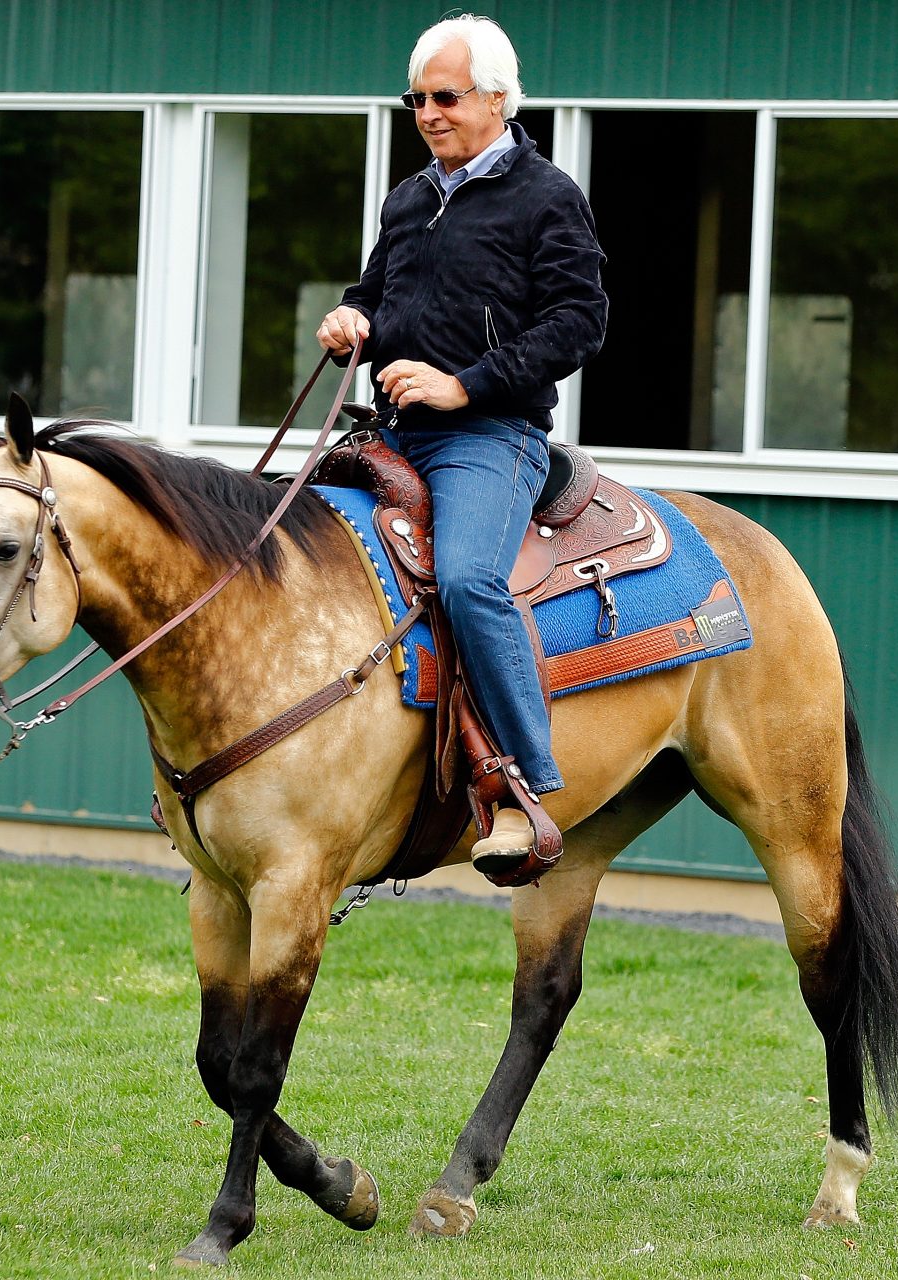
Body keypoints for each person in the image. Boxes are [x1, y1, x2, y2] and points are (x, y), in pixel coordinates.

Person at [316, 14, 607, 873]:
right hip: (394, 432)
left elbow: (581, 322)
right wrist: (353, 320)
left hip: (491, 434)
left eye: (446, 97)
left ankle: (524, 787)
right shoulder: (409, 198)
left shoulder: (547, 196)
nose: (430, 113)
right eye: (418, 99)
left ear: (498, 98)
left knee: (471, 579)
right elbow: (378, 293)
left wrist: (465, 382)